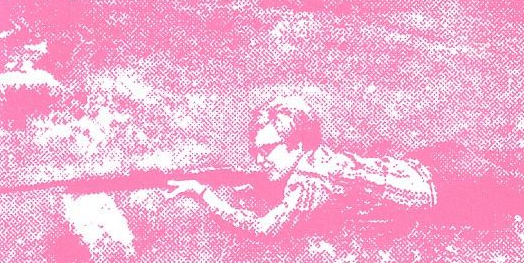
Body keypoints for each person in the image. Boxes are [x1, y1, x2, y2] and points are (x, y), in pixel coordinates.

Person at [165, 97, 436, 236]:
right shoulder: (315, 157)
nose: (259, 160)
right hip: (418, 165)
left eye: (267, 150)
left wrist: (203, 194)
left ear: (298, 144)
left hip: (439, 191)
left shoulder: (311, 181)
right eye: (256, 152)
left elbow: (263, 230)